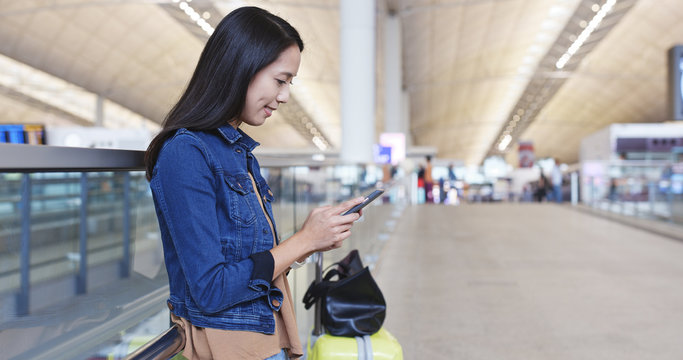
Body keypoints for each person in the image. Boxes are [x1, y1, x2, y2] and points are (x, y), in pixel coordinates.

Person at [144, 7, 364, 360]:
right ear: (242, 67)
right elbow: (211, 289)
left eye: (290, 83)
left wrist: (313, 238)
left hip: (264, 337)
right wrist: (303, 240)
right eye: (280, 80)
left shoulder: (237, 151)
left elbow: (251, 261)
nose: (285, 96)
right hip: (232, 344)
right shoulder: (185, 153)